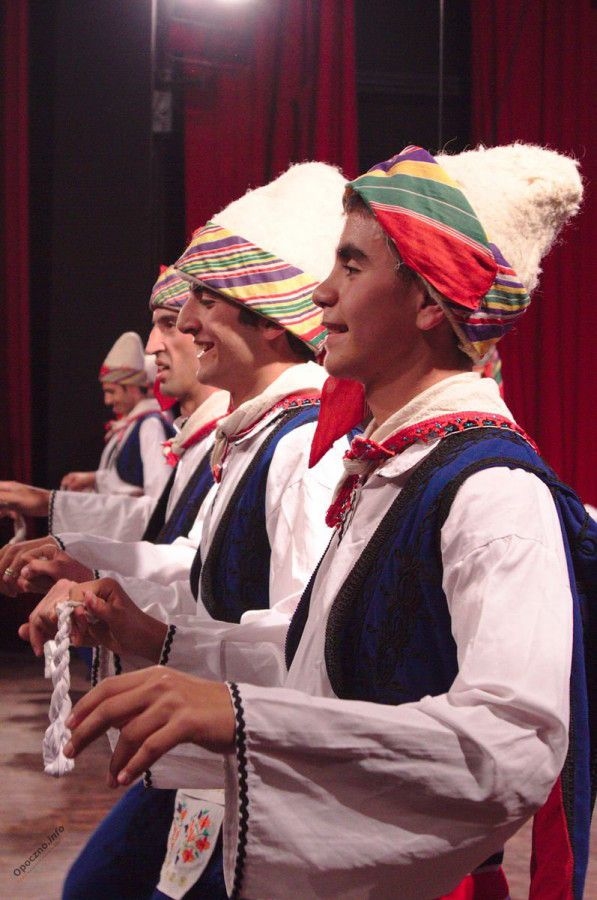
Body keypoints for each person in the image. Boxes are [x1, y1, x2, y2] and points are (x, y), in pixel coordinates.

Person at [61, 143, 592, 900]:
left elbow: (512, 746)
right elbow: (318, 663)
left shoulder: (493, 491)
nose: (320, 292)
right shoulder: (395, 467)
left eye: (350, 265)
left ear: (428, 302)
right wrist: (160, 641)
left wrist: (243, 717)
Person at [30, 161, 350, 900]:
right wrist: (100, 582)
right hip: (221, 753)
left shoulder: (302, 449)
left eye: (204, 304)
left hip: (259, 773)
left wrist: (155, 637)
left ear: (269, 318)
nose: (184, 328)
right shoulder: (263, 437)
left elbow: (307, 651)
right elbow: (199, 566)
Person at [0, 266, 229, 597]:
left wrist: (55, 510)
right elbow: (173, 537)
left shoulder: (190, 432)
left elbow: (176, 541)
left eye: (169, 323)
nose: (151, 347)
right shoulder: (198, 434)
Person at [0, 331, 175, 546]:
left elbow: (159, 500)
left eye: (111, 391)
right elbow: (127, 480)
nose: (107, 400)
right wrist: (94, 479)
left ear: (131, 388)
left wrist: (49, 502)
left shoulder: (150, 425)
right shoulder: (130, 427)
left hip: (135, 539)